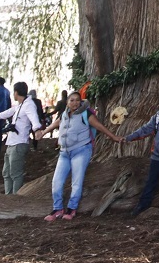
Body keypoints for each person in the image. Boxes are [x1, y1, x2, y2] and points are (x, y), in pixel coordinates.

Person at [35, 91, 120, 220]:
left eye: (77, 100)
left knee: (76, 181)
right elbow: (55, 124)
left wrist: (114, 137)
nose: (75, 103)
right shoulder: (64, 114)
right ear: (67, 102)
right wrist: (43, 132)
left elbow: (99, 126)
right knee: (56, 181)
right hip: (64, 152)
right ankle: (57, 209)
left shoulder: (85, 113)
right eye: (72, 100)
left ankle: (71, 209)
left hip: (81, 150)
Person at [0, 81, 41, 194]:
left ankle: (15, 198)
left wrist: (37, 129)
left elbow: (34, 118)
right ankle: (9, 196)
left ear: (16, 93)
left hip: (19, 143)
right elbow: (8, 112)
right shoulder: (20, 105)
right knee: (6, 172)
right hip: (11, 142)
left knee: (15, 173)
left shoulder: (29, 105)